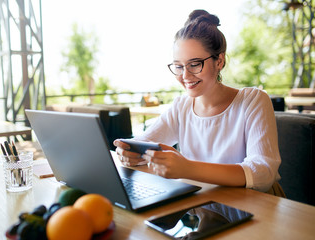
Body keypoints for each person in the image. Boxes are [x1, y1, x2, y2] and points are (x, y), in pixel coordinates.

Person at [113, 9, 283, 194]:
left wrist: (187, 168)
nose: (185, 76)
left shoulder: (253, 101)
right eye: (178, 66)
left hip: (259, 208)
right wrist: (128, 152)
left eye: (194, 64)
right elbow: (144, 142)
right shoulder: (182, 107)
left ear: (219, 61)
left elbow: (263, 173)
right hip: (207, 207)